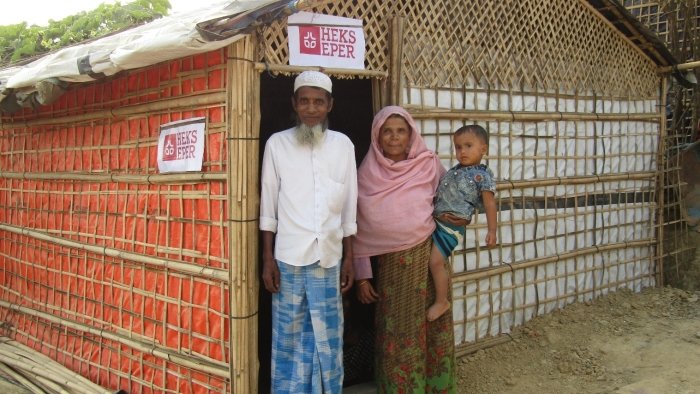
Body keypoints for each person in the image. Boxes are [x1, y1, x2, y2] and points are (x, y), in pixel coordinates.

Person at [259, 70, 357, 393]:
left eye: (318, 101)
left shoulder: (343, 146)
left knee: (327, 338)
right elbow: (268, 209)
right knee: (288, 337)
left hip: (329, 259)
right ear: (294, 104)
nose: (311, 109)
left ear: (329, 105)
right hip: (287, 260)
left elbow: (349, 208)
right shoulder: (277, 145)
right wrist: (267, 259)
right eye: (305, 101)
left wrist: (350, 259)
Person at [353, 105, 462, 393]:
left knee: (433, 326)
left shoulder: (428, 164)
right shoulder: (366, 175)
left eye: (401, 130)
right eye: (387, 131)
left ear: (411, 134)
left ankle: (437, 387)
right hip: (393, 270)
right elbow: (359, 228)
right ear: (377, 136)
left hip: (429, 261)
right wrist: (363, 276)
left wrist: (456, 223)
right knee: (399, 330)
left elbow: (451, 198)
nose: (394, 137)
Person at [427, 124, 498, 321]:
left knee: (435, 262)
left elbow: (490, 204)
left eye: (468, 146)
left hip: (451, 227)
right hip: (436, 222)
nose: (462, 151)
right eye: (458, 147)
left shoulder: (482, 175)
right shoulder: (455, 170)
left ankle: (442, 301)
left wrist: (492, 230)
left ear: (483, 149)